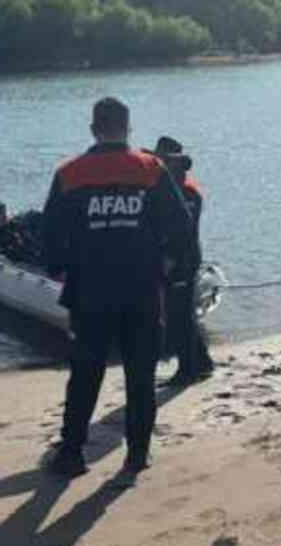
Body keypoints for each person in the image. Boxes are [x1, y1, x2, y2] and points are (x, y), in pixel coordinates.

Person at [42, 97, 196, 479]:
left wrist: (60, 269)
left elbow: (50, 233)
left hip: (90, 291)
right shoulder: (150, 168)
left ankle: (72, 453)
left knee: (85, 374)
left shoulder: (70, 173)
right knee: (140, 376)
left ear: (93, 128)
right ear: (127, 128)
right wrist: (172, 266)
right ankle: (136, 455)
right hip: (142, 289)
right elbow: (181, 225)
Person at [152, 136, 216, 387]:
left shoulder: (186, 192)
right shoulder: (168, 186)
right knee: (182, 314)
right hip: (176, 257)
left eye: (164, 160)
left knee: (179, 317)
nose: (160, 164)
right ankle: (202, 362)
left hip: (182, 259)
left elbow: (182, 231)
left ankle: (187, 370)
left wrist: (170, 258)